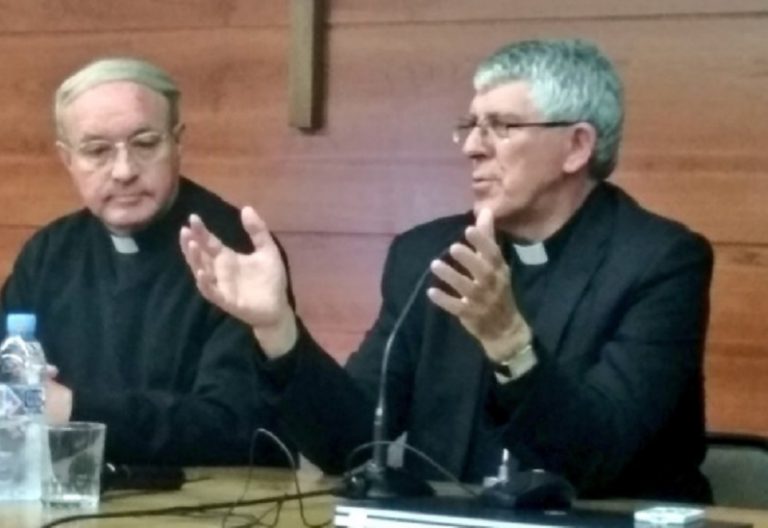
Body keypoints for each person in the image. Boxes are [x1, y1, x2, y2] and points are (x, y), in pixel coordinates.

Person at [180, 39, 713, 501]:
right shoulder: (428, 254)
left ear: (577, 146)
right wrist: (278, 328)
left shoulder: (660, 263)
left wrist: (511, 344)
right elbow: (353, 442)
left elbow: (598, 461)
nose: (474, 148)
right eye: (471, 126)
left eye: (501, 127)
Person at [0, 57, 291, 466]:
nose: (123, 171)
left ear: (178, 143)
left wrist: (73, 411)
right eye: (97, 150)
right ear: (68, 159)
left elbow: (236, 427)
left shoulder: (231, 252)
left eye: (145, 144)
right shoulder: (49, 253)